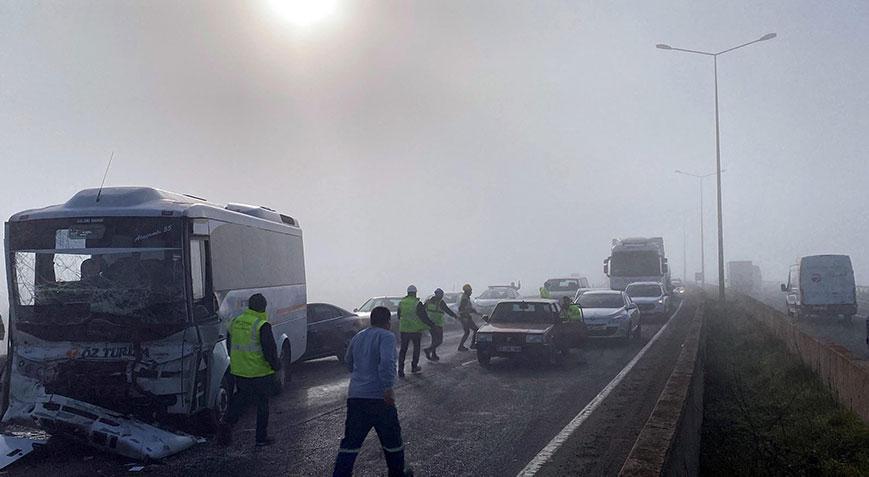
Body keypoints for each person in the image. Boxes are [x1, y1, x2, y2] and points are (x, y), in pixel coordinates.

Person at [333, 307, 411, 477]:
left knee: (351, 442)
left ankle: (340, 474)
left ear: (372, 320)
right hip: (379, 398)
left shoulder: (358, 336)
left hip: (356, 397)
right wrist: (388, 387)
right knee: (392, 440)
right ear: (388, 322)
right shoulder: (387, 336)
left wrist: (360, 374)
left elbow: (348, 361)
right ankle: (398, 473)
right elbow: (387, 362)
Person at [218, 293, 280, 446]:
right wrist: (276, 367)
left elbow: (230, 343)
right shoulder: (262, 325)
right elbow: (270, 351)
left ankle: (226, 425)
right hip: (259, 372)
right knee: (262, 404)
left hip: (240, 371)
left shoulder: (236, 322)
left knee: (240, 400)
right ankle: (261, 438)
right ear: (263, 307)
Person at [397, 285, 434, 377]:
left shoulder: (401, 303)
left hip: (404, 330)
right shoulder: (417, 303)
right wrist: (431, 324)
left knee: (403, 350)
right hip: (415, 330)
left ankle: (400, 370)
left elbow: (399, 315)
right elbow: (424, 317)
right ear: (415, 293)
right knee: (416, 348)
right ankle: (414, 366)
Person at [423, 289, 458, 361]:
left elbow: (422, 310)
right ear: (438, 294)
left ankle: (433, 354)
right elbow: (447, 310)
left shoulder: (428, 301)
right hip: (438, 324)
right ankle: (428, 350)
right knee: (439, 341)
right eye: (441, 294)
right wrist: (455, 316)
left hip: (430, 323)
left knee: (434, 340)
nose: (442, 296)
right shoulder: (441, 302)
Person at [457, 284, 479, 352]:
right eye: (470, 291)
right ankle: (470, 345)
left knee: (468, 332)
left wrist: (475, 312)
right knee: (474, 330)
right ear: (467, 291)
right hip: (465, 317)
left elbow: (468, 308)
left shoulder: (466, 298)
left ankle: (463, 346)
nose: (471, 292)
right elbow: (462, 309)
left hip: (466, 317)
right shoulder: (465, 299)